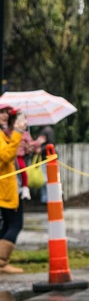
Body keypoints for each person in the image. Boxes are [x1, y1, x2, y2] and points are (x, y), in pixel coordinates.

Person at [0, 106, 28, 273]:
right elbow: (6, 156)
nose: (5, 116)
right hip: (4, 189)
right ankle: (2, 263)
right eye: (1, 112)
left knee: (7, 225)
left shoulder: (3, 134)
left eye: (6, 113)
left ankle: (2, 262)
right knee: (15, 224)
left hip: (9, 187)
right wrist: (17, 132)